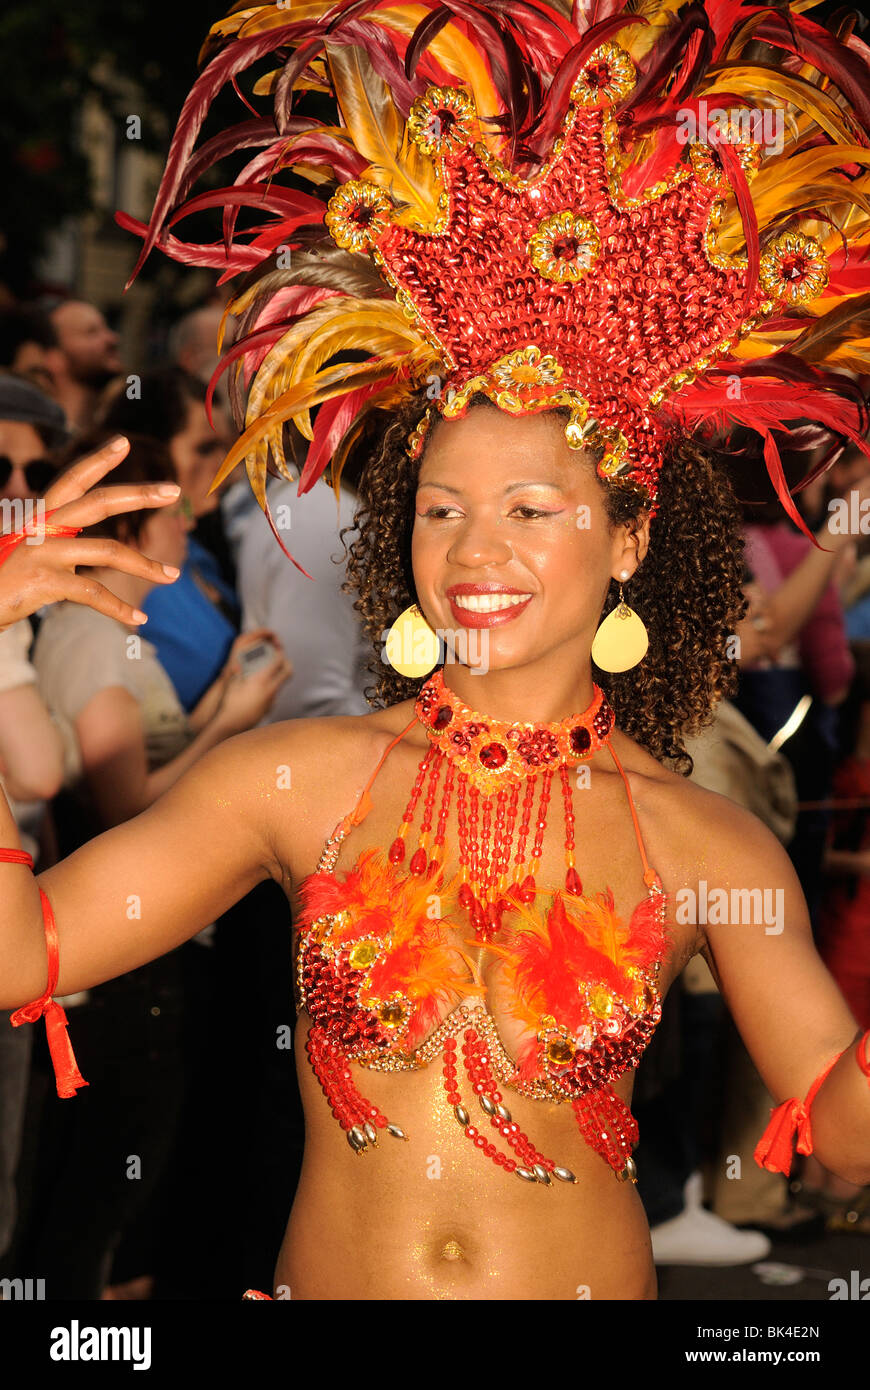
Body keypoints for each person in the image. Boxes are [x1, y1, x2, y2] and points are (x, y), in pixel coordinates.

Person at [2, 0, 870, 1303]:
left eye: (531, 511)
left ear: (629, 539)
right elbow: (26, 953)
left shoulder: (708, 846)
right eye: (441, 508)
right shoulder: (294, 780)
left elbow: (841, 1137)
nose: (474, 552)